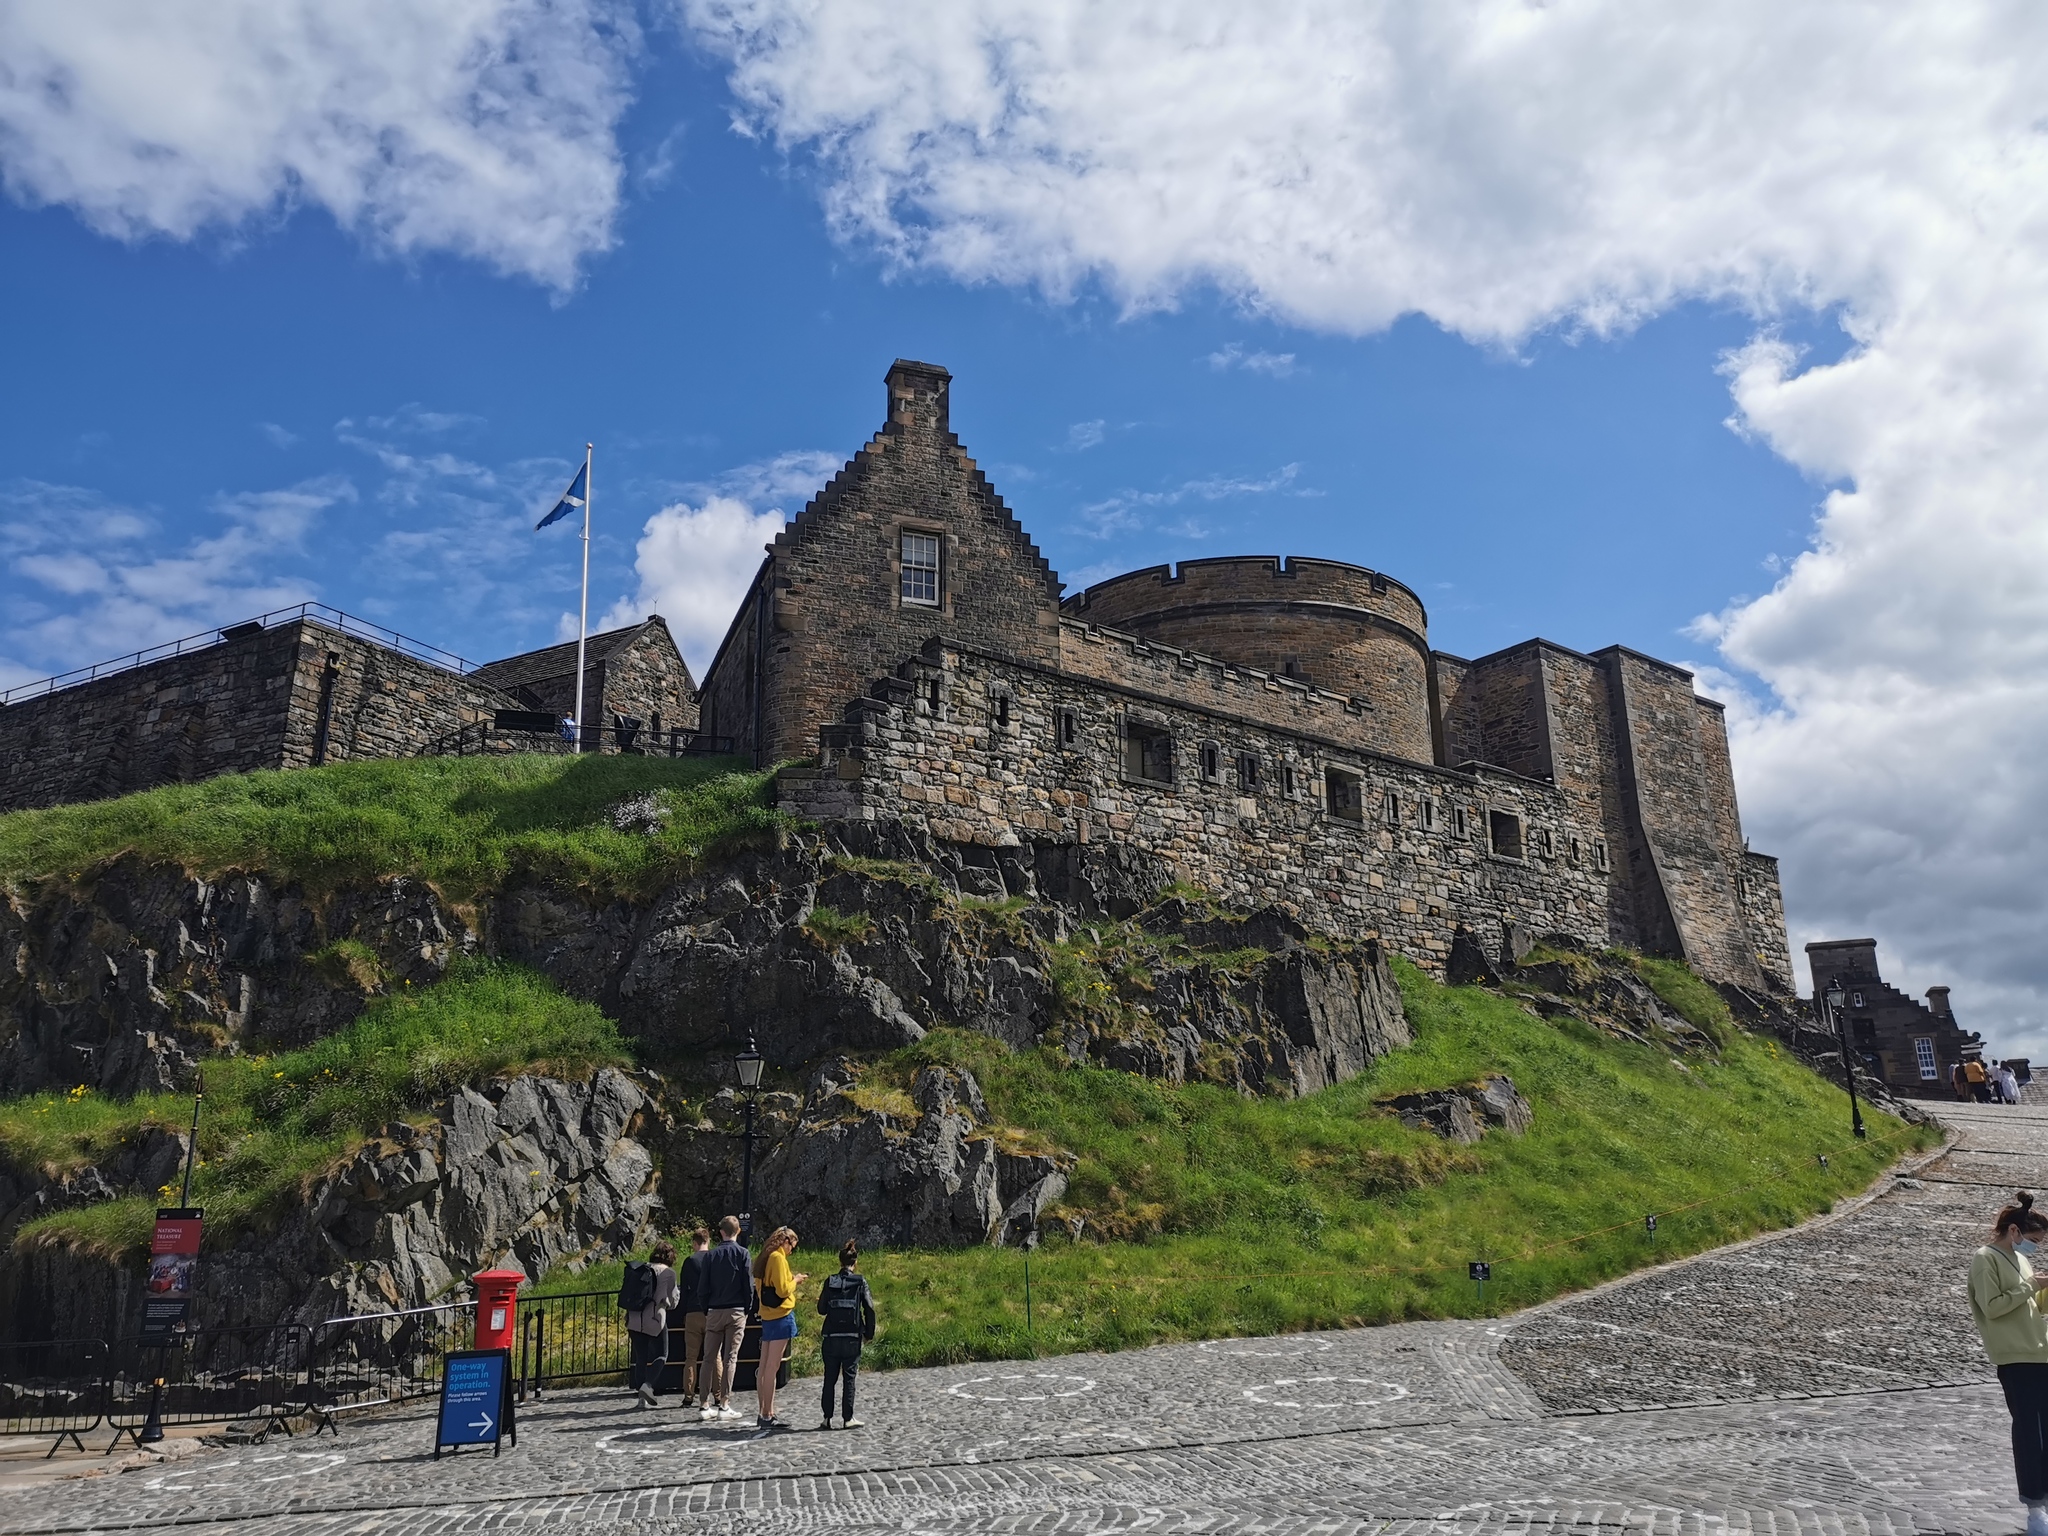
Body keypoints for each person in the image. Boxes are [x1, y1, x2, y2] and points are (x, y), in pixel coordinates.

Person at [1969, 1190, 2048, 1535]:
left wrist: (2042, 1291)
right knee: (2030, 1433)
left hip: (2041, 1353)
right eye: (2033, 1240)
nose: (2035, 1248)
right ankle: (2034, 1510)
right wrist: (2031, 1286)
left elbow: (2031, 1307)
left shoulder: (2022, 1260)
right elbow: (1994, 1307)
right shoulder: (1985, 1258)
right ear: (2014, 1231)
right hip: (2016, 1358)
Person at [816, 1239, 877, 1430]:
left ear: (839, 1261)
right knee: (849, 1378)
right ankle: (848, 1418)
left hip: (831, 1337)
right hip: (852, 1336)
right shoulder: (860, 1282)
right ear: (855, 1262)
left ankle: (827, 1418)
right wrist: (868, 1333)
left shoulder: (830, 1281)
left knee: (829, 1378)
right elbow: (870, 1308)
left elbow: (821, 1309)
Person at [695, 1216, 752, 1421]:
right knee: (730, 1358)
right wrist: (747, 1308)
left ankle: (703, 1404)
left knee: (708, 1358)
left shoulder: (710, 1256)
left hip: (714, 1310)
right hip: (736, 1310)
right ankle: (724, 1404)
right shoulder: (743, 1254)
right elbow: (748, 1284)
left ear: (721, 1233)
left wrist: (706, 1308)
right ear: (738, 1232)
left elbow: (702, 1288)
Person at [753, 1226, 807, 1430]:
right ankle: (768, 1414)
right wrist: (796, 1280)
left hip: (767, 1315)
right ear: (785, 1241)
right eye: (792, 1245)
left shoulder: (764, 1257)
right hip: (780, 1316)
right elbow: (783, 1289)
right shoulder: (778, 1258)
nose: (792, 1250)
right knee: (772, 1368)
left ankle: (763, 1411)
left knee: (765, 1366)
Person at [624, 1240, 682, 1408]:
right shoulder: (669, 1273)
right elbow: (672, 1302)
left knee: (641, 1357)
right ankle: (647, 1385)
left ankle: (641, 1400)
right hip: (655, 1320)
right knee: (662, 1355)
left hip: (634, 1319)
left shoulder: (640, 1269)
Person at [676, 1227, 712, 1408]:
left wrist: (683, 1312)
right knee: (715, 1356)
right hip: (712, 1312)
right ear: (708, 1241)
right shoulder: (715, 1258)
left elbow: (684, 1291)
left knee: (691, 1357)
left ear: (694, 1243)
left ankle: (688, 1396)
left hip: (693, 1311)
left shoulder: (690, 1261)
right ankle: (719, 1395)